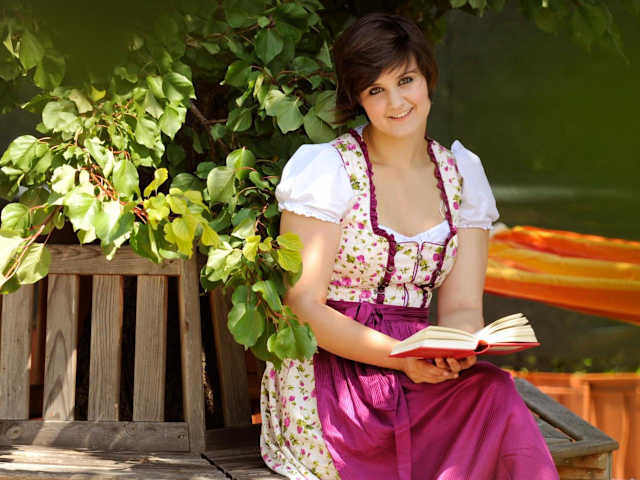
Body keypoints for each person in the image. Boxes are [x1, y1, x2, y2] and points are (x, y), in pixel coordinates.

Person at [260, 13, 559, 480]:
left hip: (420, 368)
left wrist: (455, 350)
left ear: (428, 79)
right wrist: (402, 359)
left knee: (493, 392)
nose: (396, 102)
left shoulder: (461, 177)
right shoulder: (328, 171)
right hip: (335, 374)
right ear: (358, 98)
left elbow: (462, 307)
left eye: (406, 81)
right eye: (376, 90)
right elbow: (302, 307)